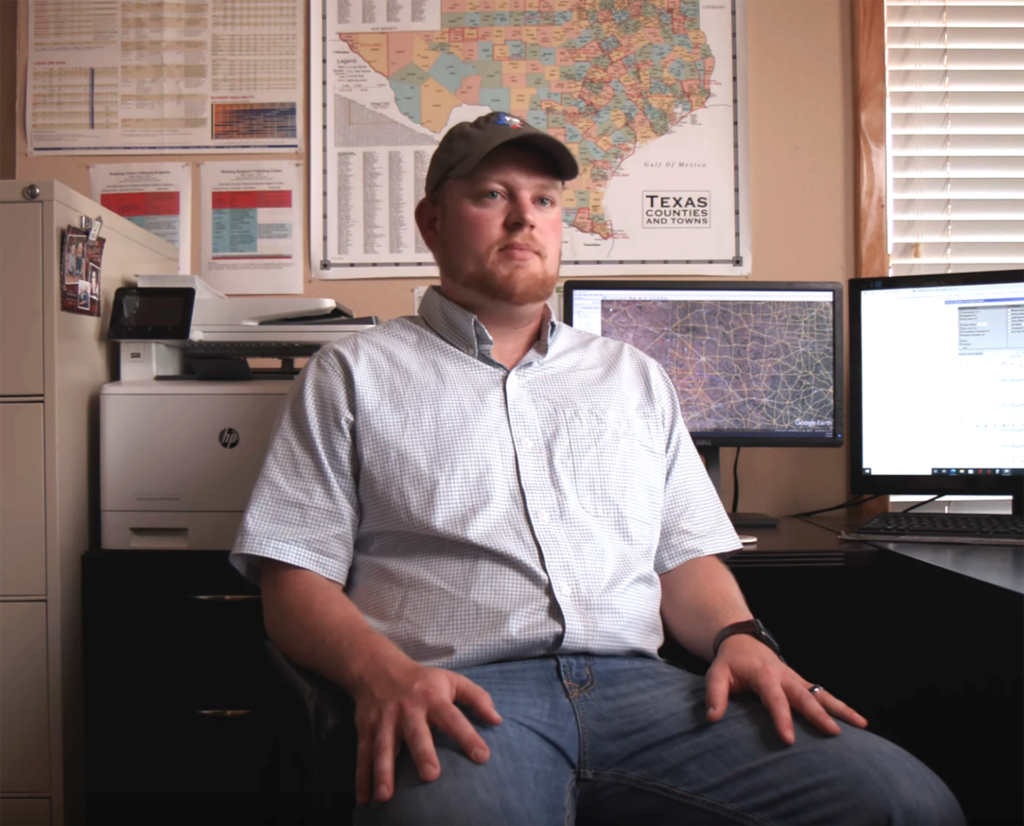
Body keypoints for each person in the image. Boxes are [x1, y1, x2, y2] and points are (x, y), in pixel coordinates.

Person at [232, 112, 965, 826]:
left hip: (650, 697)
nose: (524, 218)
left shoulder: (633, 376)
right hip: (462, 694)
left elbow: (684, 558)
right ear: (432, 222)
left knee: (909, 803)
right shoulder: (353, 372)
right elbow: (293, 578)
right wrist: (380, 676)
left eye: (543, 201)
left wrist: (743, 637)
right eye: (492, 196)